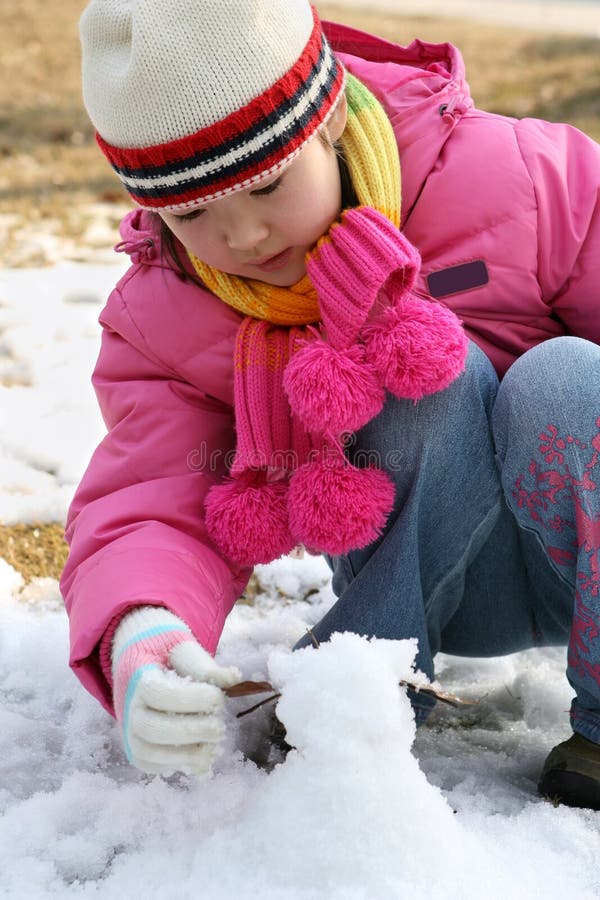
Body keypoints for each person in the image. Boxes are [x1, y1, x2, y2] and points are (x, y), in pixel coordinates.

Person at [62, 0, 600, 807]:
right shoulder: (170, 311)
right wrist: (143, 628)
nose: (243, 237)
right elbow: (153, 494)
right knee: (425, 387)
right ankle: (368, 682)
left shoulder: (517, 179)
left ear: (329, 123)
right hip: (424, 581)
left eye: (268, 184)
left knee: (563, 377)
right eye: (194, 211)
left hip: (579, 548)